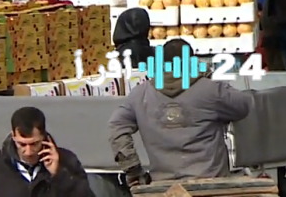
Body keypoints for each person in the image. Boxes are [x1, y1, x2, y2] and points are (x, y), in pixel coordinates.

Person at [108, 38, 254, 185]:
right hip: (211, 184)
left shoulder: (140, 94)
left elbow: (116, 128)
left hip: (163, 187)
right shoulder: (211, 90)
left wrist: (133, 169)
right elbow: (244, 106)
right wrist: (210, 77)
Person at [0, 106, 93, 197]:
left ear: (43, 137)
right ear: (13, 136)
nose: (28, 152)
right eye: (22, 144)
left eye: (34, 144)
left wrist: (59, 174)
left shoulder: (67, 161)